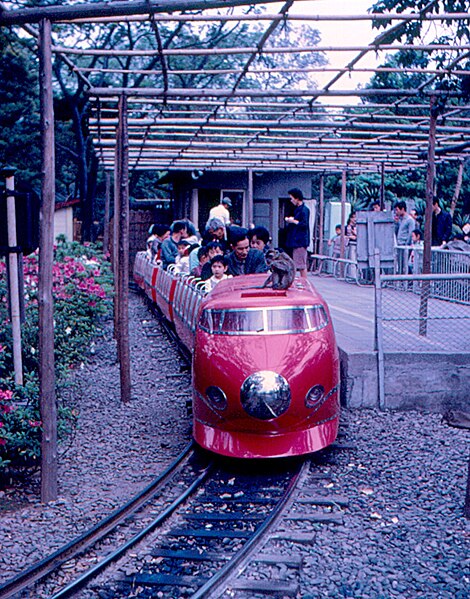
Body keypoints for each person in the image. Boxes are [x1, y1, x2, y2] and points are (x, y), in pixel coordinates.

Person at [284, 187, 310, 278]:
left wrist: (293, 221)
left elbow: (304, 224)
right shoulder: (298, 209)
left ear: (297, 198)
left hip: (301, 241)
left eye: (292, 198)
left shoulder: (304, 210)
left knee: (301, 265)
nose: (291, 200)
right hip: (296, 241)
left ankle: (304, 282)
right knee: (297, 263)